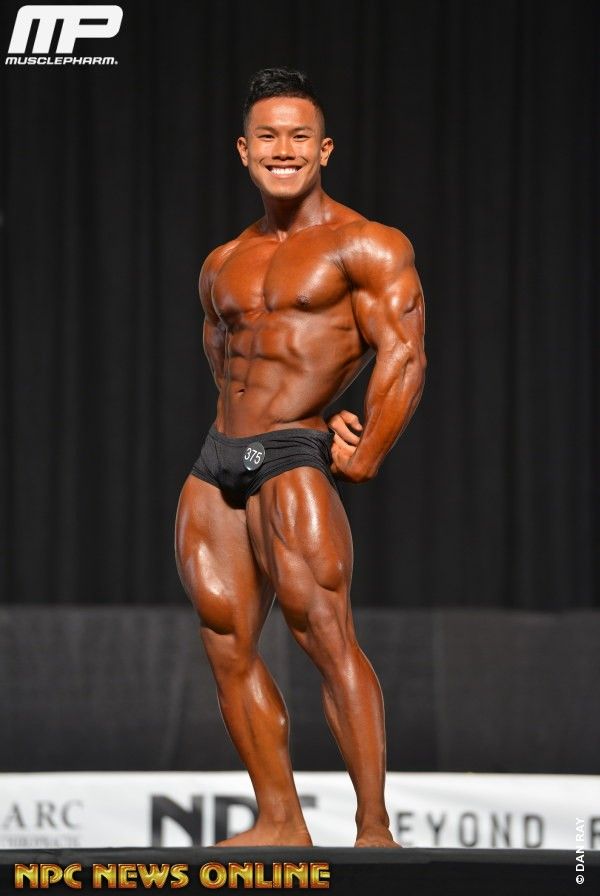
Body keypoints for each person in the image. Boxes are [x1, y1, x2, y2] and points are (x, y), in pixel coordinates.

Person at [175, 67, 426, 848]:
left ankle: (373, 828)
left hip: (291, 453)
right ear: (244, 150)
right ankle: (281, 819)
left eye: (298, 137)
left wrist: (366, 448)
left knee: (325, 634)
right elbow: (226, 358)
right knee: (226, 644)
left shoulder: (366, 244)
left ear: (324, 149)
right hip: (217, 462)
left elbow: (403, 353)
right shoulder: (222, 261)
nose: (282, 149)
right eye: (268, 137)